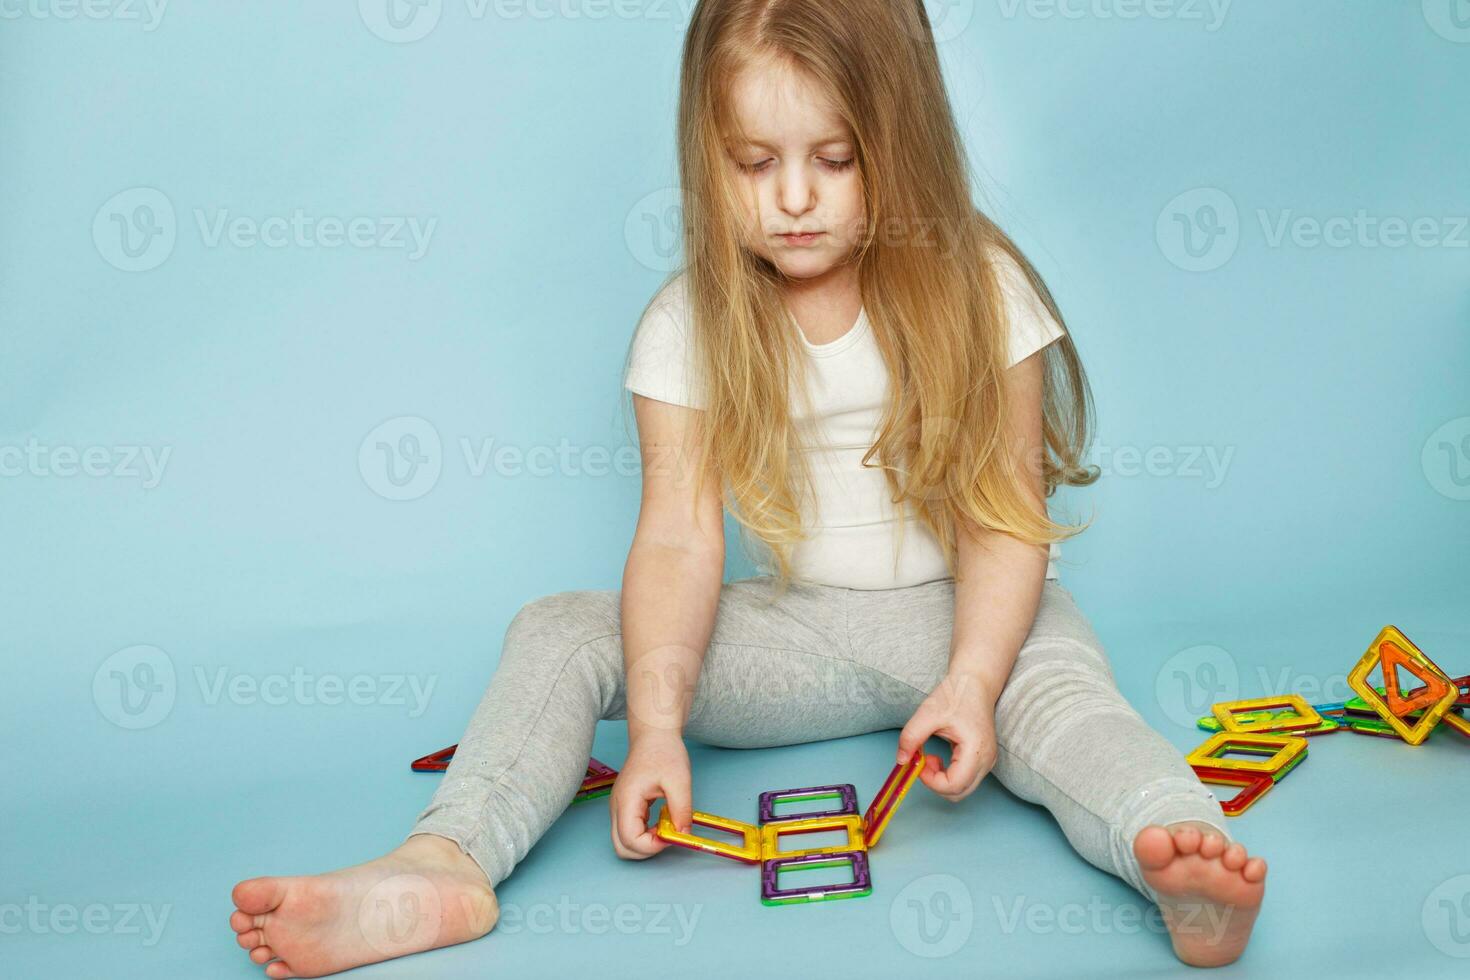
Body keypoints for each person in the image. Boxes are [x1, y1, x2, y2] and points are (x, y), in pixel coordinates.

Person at [228, 2, 1265, 975]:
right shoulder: (686, 325)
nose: (795, 198)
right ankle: (446, 862)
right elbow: (678, 540)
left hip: (977, 620)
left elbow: (1004, 516)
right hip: (797, 638)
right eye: (754, 163)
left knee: (1067, 700)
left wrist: (974, 682)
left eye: (835, 159)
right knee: (562, 628)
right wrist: (659, 731)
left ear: (899, 147)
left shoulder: (984, 286)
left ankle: (1173, 848)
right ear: (708, 158)